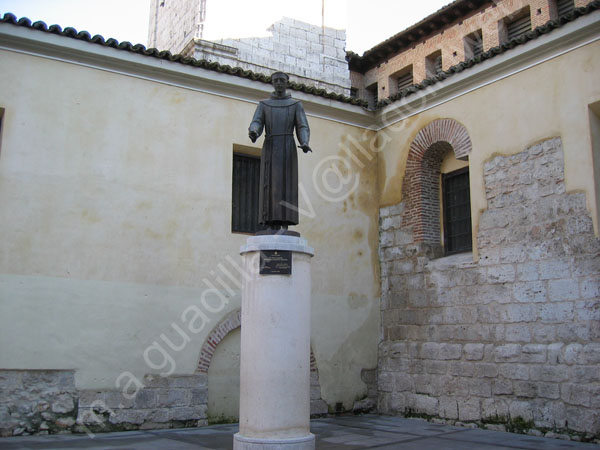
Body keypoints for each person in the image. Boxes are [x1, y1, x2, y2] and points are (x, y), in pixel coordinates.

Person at [248, 72, 312, 232]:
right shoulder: (264, 104)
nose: (278, 83)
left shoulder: (295, 104)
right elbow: (256, 121)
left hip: (287, 149)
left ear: (287, 83)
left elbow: (302, 126)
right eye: (275, 80)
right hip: (270, 147)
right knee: (269, 185)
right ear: (272, 83)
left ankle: (285, 222)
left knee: (286, 185)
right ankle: (270, 222)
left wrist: (304, 141)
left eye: (282, 80)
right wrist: (254, 131)